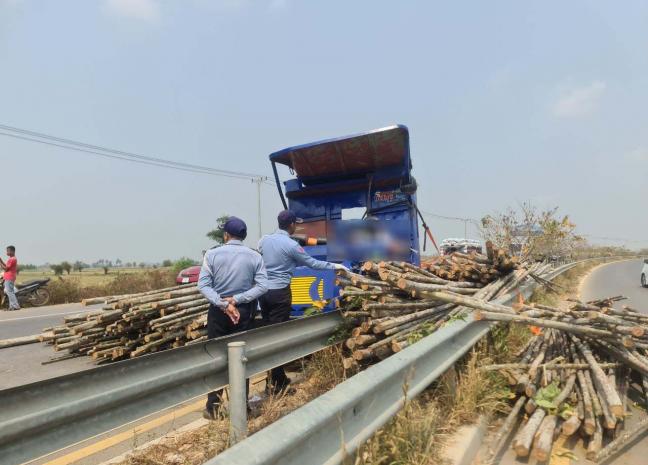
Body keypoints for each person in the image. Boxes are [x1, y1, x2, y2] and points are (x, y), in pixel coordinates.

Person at [258, 210, 348, 393]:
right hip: (280, 294)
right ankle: (276, 384)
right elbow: (313, 264)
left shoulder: (263, 240)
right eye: (295, 224)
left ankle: (276, 379)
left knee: (268, 337)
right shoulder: (291, 245)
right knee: (278, 338)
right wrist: (335, 265)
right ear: (291, 224)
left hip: (263, 294)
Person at [197, 217, 268, 419]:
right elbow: (263, 286)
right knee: (240, 358)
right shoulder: (255, 256)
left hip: (218, 313)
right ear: (243, 236)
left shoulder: (212, 254)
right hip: (243, 312)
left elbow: (203, 285)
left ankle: (213, 407)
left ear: (226, 235)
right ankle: (242, 407)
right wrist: (236, 300)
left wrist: (224, 304)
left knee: (216, 358)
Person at [0, 245, 20, 311]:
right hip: (9, 277)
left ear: (12, 251)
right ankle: (12, 306)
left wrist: (0, 263)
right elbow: (6, 266)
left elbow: (5, 269)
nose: (7, 252)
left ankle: (16, 306)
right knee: (10, 292)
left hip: (9, 277)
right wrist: (1, 260)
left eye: (8, 251)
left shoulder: (12, 259)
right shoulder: (11, 259)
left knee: (9, 292)